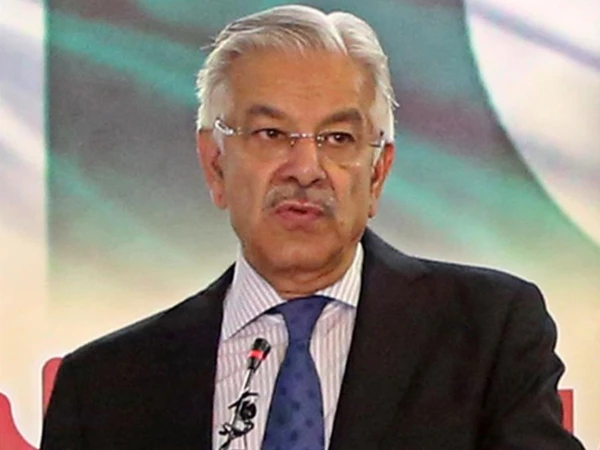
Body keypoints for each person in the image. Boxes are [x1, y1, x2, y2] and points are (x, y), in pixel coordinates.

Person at [41, 5, 585, 450]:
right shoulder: (104, 388)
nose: (305, 169)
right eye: (271, 134)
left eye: (338, 139)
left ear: (378, 172)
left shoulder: (488, 335)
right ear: (215, 164)